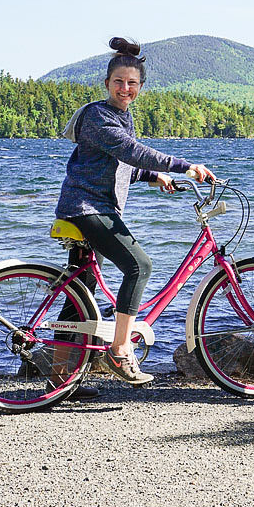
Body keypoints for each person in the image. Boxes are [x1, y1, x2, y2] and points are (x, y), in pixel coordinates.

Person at [54, 37, 215, 394]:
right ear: (107, 83)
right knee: (139, 266)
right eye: (118, 82)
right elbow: (130, 150)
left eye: (132, 83)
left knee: (80, 290)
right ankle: (120, 349)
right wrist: (184, 166)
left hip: (90, 205)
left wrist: (153, 175)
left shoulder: (122, 116)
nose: (125, 88)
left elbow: (117, 163)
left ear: (140, 87)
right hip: (87, 208)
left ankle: (60, 378)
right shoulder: (99, 116)